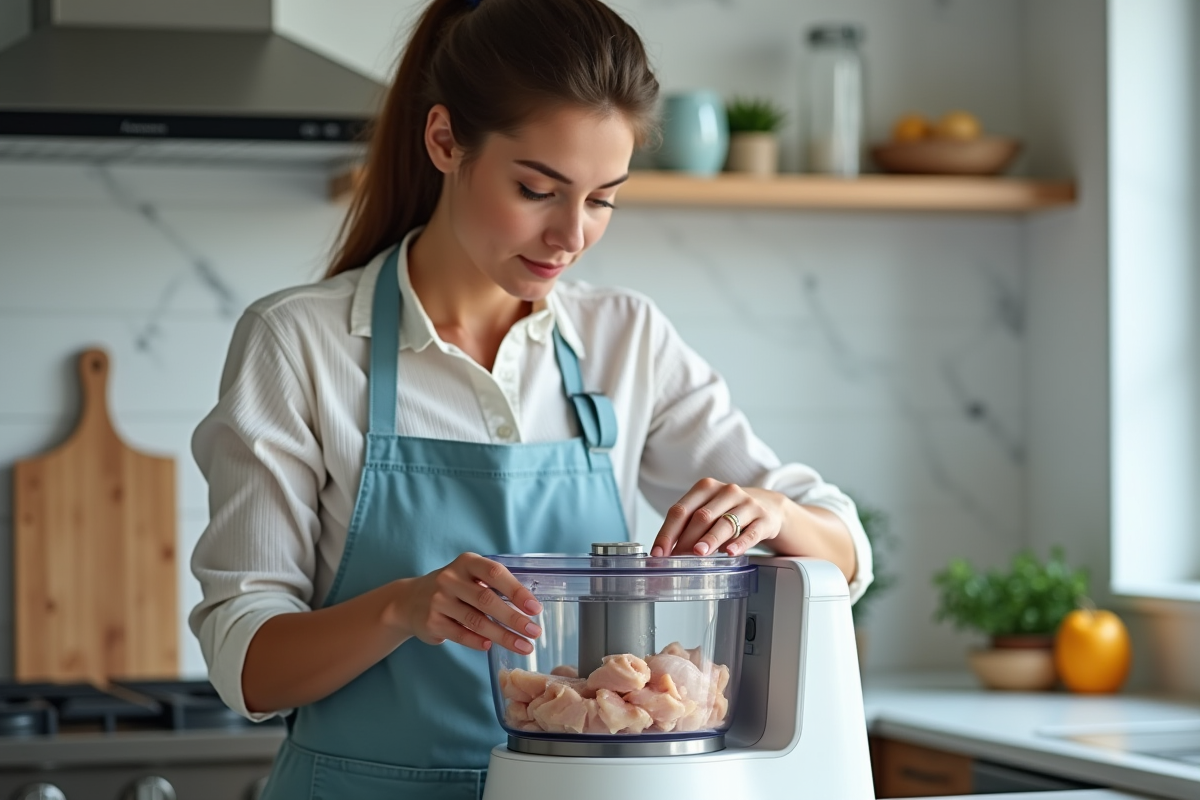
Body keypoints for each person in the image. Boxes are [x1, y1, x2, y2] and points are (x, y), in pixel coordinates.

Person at [189, 0, 873, 796]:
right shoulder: (301, 344)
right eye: (537, 188)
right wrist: (403, 608)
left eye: (603, 197)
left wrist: (776, 515)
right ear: (445, 141)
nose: (571, 235)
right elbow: (248, 665)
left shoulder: (626, 339)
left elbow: (847, 553)